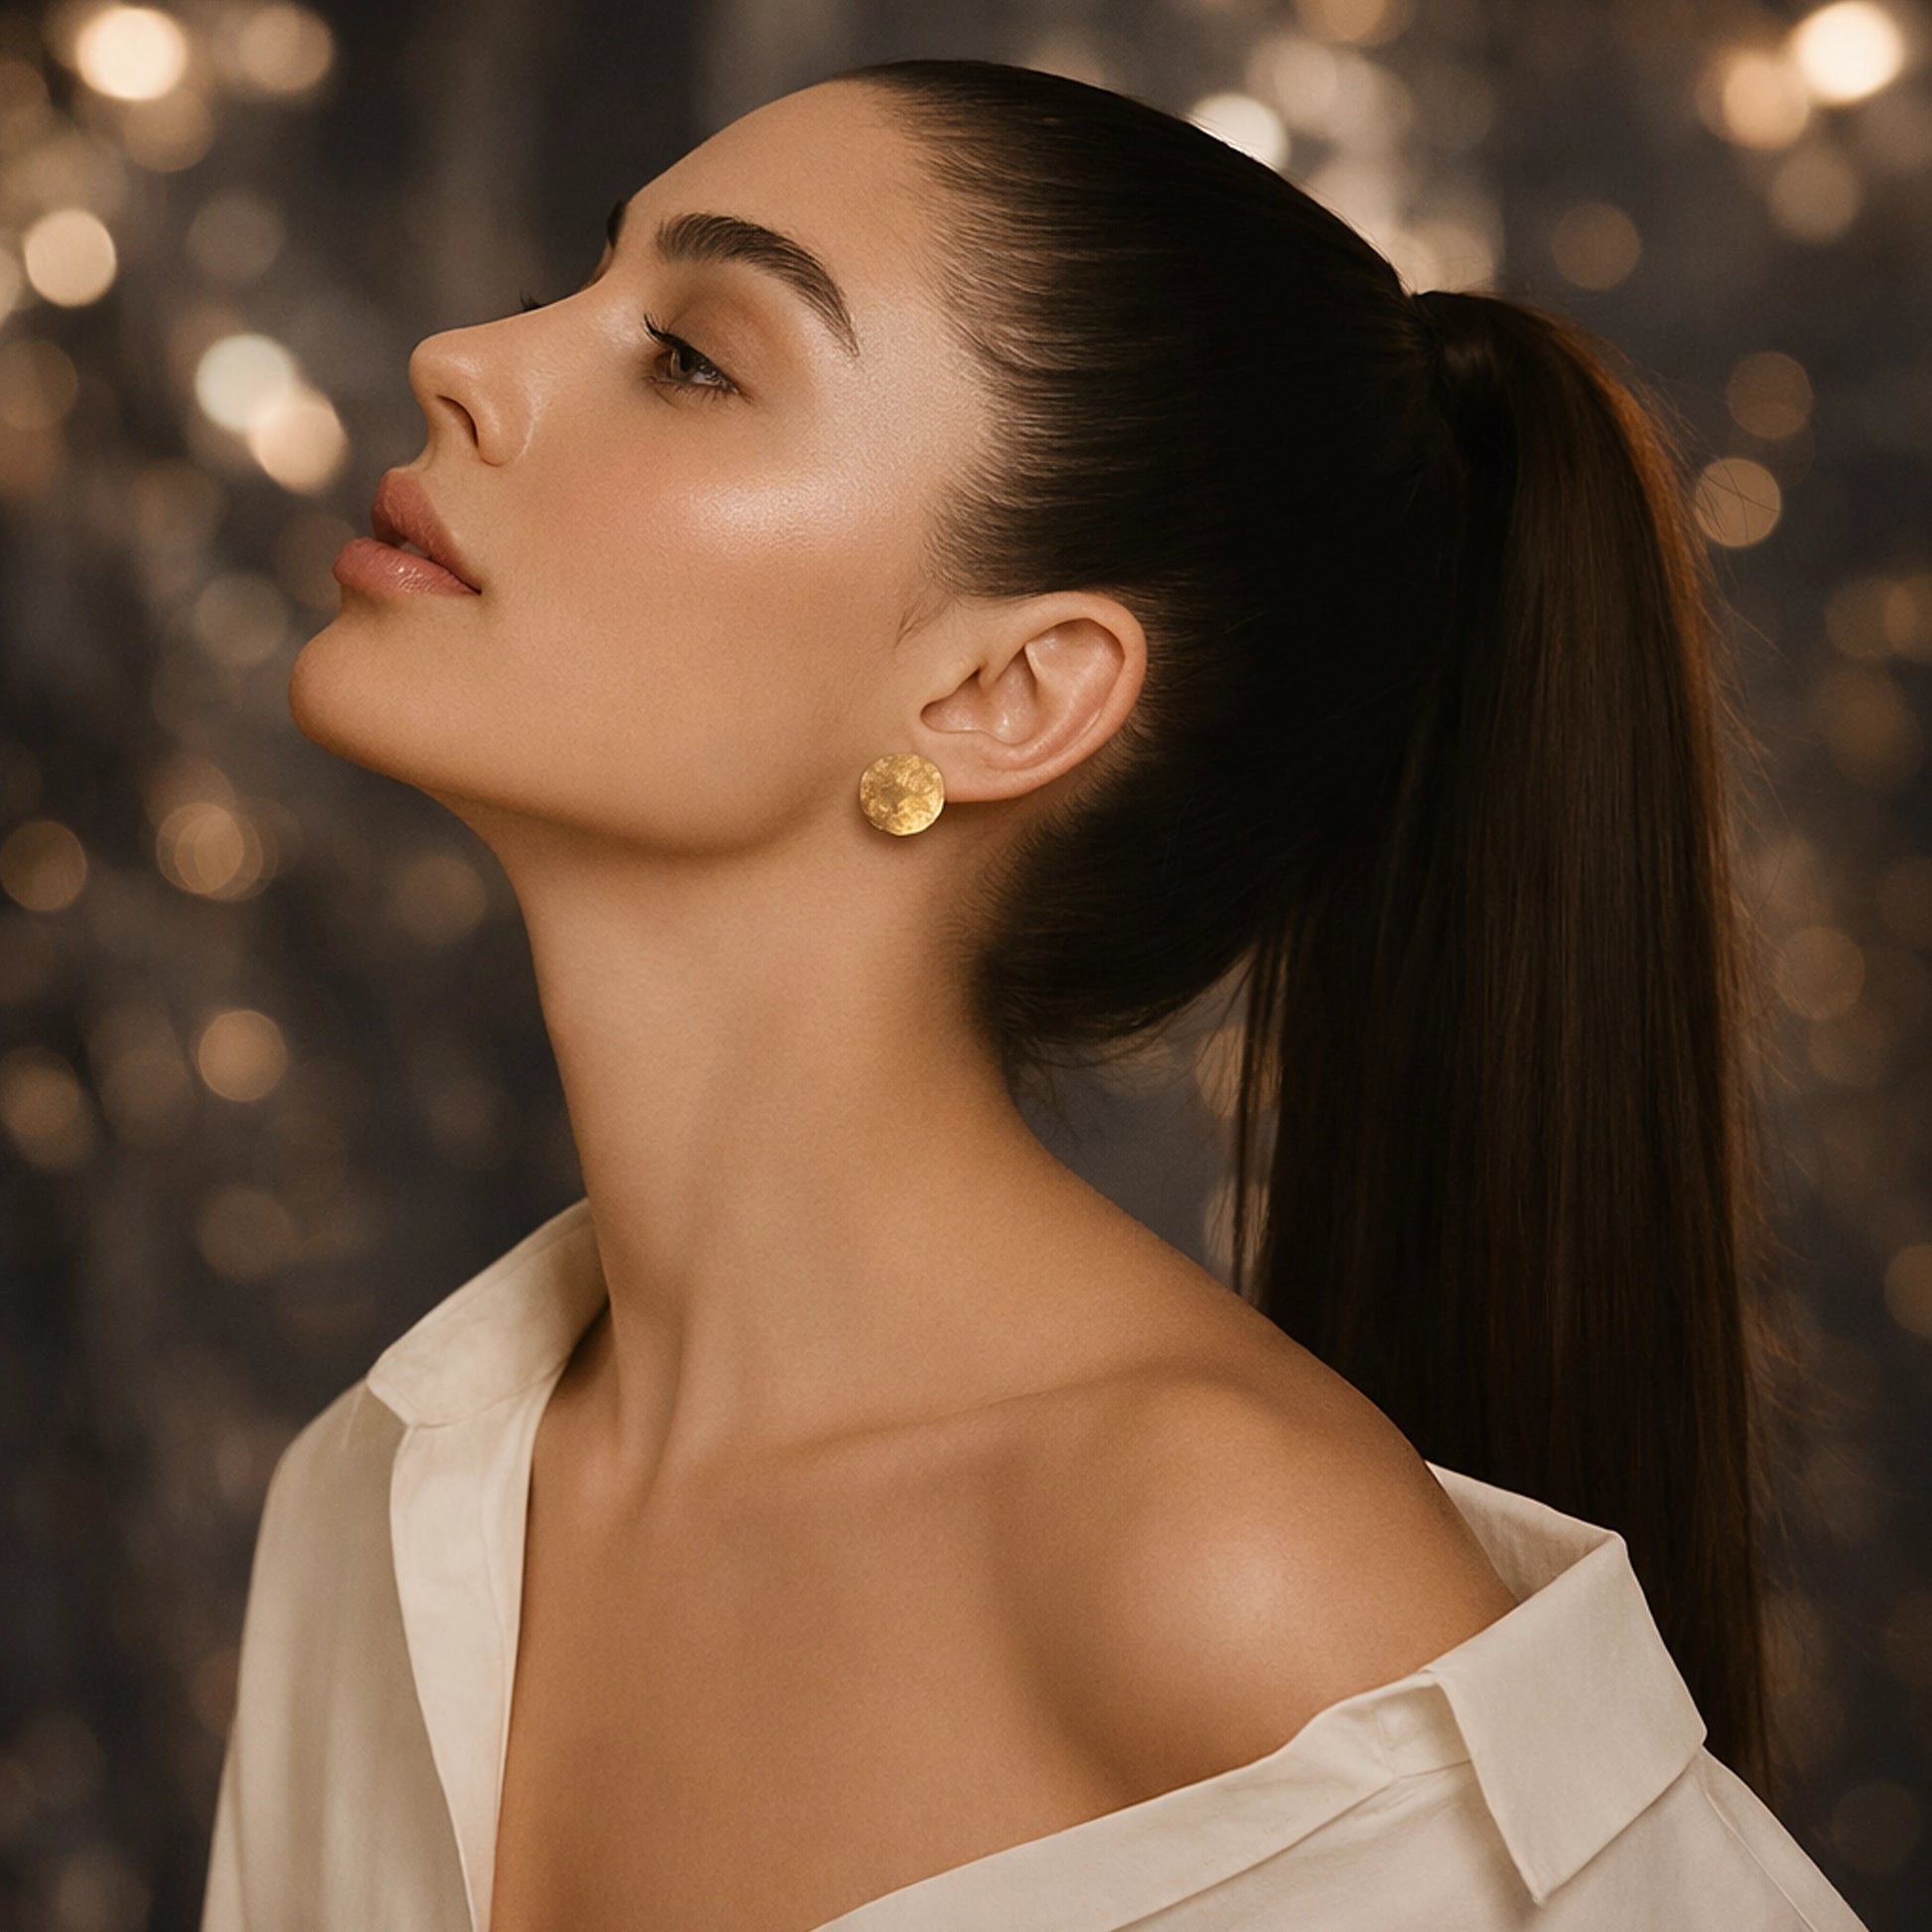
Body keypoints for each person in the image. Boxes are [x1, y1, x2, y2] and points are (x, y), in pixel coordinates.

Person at [199, 56, 1868, 1932]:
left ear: (1004, 697)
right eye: (585, 285)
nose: (459, 356)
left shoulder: (1236, 1577)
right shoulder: (385, 1499)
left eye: (691, 357)